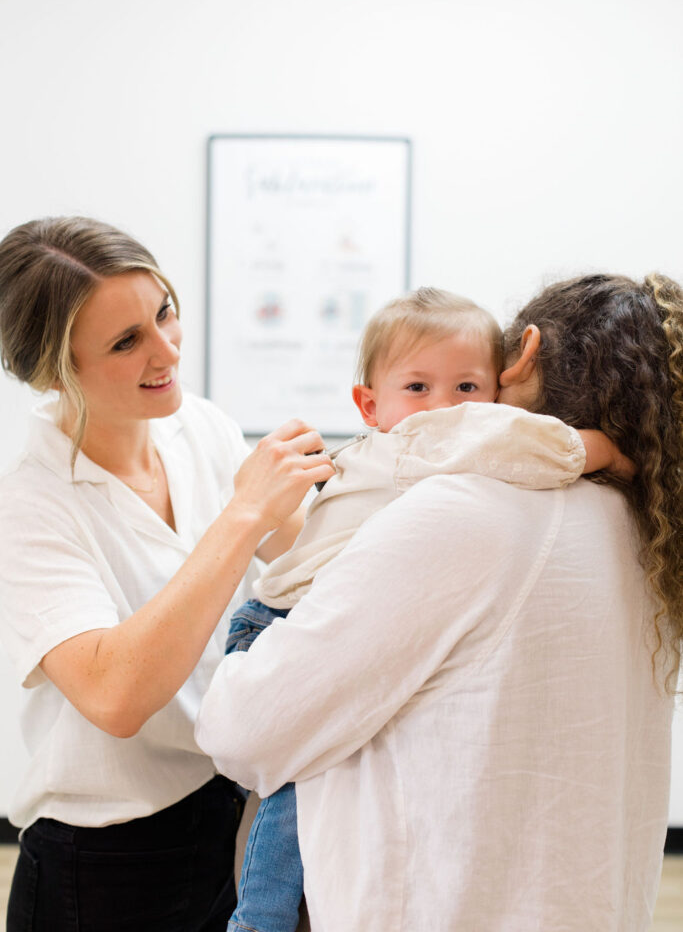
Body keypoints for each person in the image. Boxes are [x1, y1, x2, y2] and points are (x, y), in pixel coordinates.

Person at [197, 273, 683, 932]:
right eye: (419, 387)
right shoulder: (643, 531)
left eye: (467, 384)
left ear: (524, 351)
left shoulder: (468, 510)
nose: (448, 406)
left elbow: (240, 729)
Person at [0, 216, 335, 932]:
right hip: (101, 866)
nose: (166, 351)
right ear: (57, 372)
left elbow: (311, 565)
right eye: (127, 342)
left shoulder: (200, 427)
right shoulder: (31, 503)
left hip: (220, 817)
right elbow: (117, 696)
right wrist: (243, 517)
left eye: (164, 313)